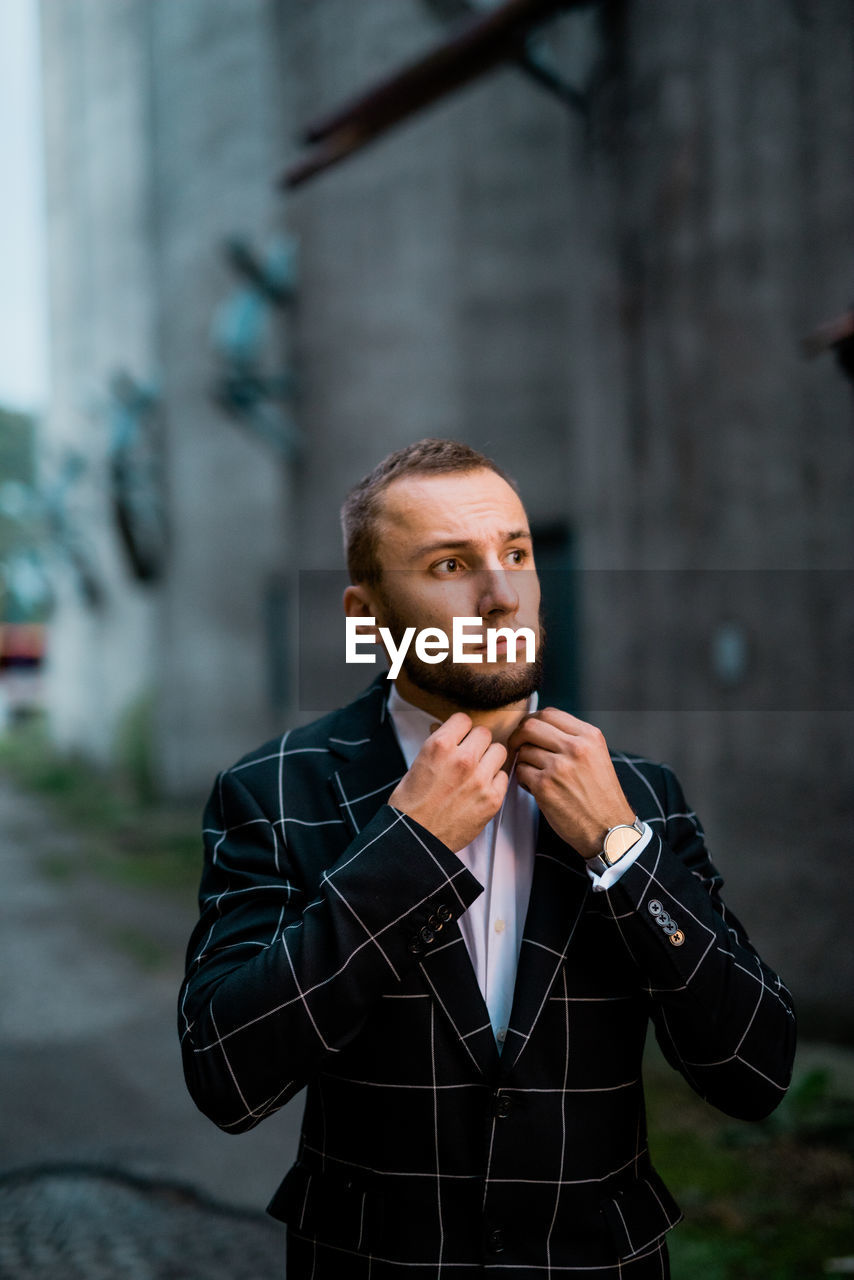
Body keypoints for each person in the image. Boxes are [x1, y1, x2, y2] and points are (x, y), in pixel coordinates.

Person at [178, 439, 796, 1278]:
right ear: (366, 616)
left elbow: (755, 1071)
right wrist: (407, 851)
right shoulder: (272, 791)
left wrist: (623, 853)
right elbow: (227, 1076)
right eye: (449, 565)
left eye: (516, 553)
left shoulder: (640, 797)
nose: (502, 596)